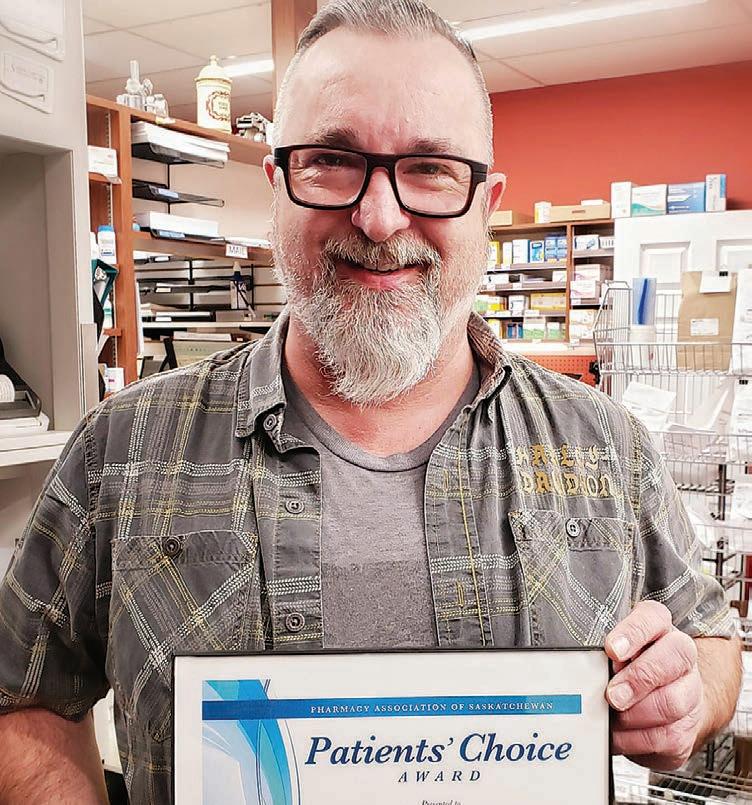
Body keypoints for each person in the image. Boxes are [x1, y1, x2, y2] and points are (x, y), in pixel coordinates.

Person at [0, 0, 741, 802]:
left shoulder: (606, 444)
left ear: (487, 204)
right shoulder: (123, 448)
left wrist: (687, 694)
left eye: (430, 168)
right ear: (277, 185)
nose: (381, 218)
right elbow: (22, 693)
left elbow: (710, 636)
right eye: (332, 159)